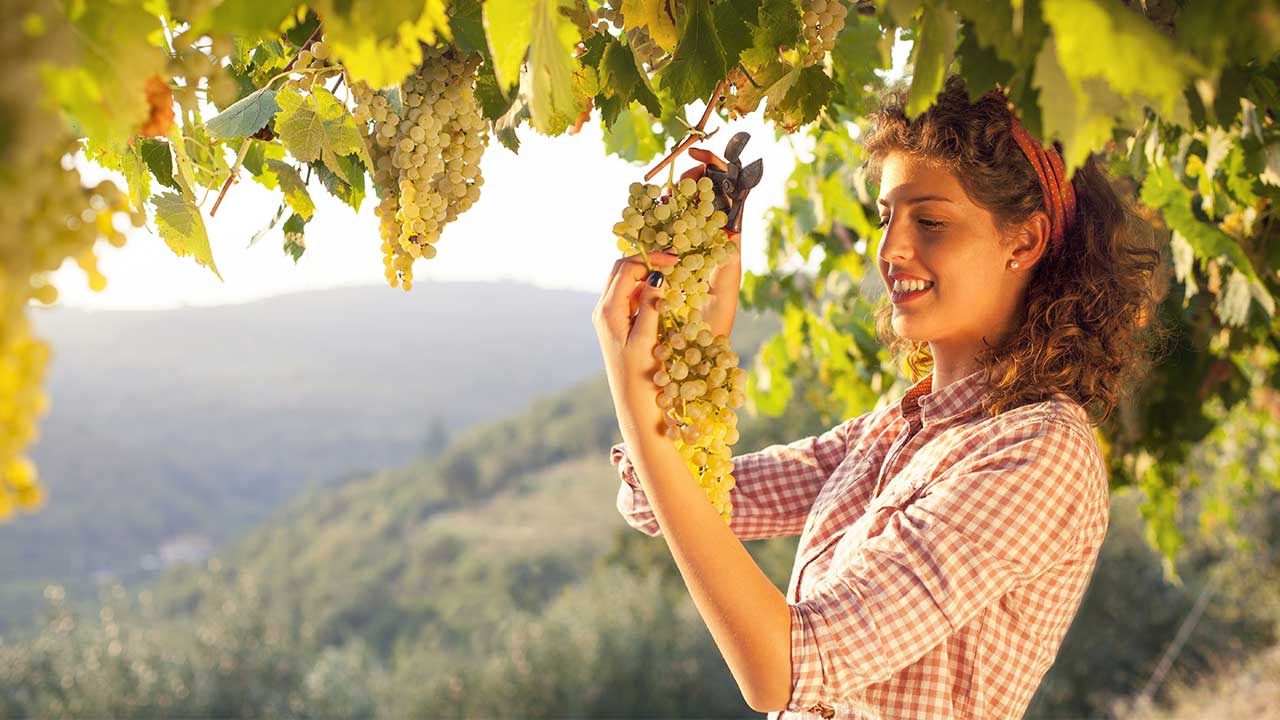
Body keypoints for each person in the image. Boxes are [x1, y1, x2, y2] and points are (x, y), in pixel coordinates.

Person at [591, 73, 1169, 719]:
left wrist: (632, 390)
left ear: (1024, 241)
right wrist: (697, 335)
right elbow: (654, 498)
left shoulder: (1040, 452)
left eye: (931, 221)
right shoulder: (889, 434)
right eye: (886, 216)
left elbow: (785, 668)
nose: (891, 249)